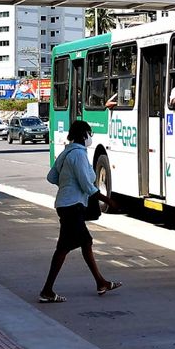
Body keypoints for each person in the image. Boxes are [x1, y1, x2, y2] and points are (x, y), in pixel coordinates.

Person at [39, 120, 121, 302]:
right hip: (73, 206)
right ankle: (47, 290)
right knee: (63, 248)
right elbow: (87, 185)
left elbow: (51, 177)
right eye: (89, 134)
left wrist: (67, 182)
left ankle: (101, 282)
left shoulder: (66, 152)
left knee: (86, 243)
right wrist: (108, 200)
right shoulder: (79, 155)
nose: (90, 137)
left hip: (65, 204)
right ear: (84, 135)